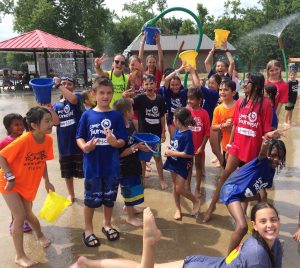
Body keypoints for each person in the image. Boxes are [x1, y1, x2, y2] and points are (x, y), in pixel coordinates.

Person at [70, 202, 283, 268]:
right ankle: (149, 241)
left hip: (206, 264)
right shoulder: (257, 255)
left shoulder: (273, 244)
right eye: (263, 221)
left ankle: (86, 262)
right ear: (253, 225)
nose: (270, 225)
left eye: (273, 220)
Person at [203, 72, 273, 223]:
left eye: (247, 81)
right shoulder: (241, 101)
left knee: (257, 189)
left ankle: (257, 217)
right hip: (236, 148)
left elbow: (267, 132)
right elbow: (236, 125)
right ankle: (211, 207)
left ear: (255, 86)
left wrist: (265, 153)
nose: (243, 84)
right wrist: (229, 146)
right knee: (224, 177)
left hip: (253, 152)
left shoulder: (265, 104)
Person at [0, 107, 55, 267]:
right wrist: (9, 176)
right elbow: (2, 155)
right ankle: (20, 256)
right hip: (9, 183)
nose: (51, 123)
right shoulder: (23, 140)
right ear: (34, 125)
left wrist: (47, 180)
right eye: (47, 121)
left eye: (51, 120)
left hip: (28, 184)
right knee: (19, 216)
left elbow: (42, 159)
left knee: (28, 213)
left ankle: (40, 236)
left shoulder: (48, 140)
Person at [76, 77, 127, 247]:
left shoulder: (117, 116)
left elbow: (122, 140)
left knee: (109, 198)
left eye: (109, 93)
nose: (106, 96)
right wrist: (85, 147)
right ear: (94, 94)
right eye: (102, 93)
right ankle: (88, 229)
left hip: (111, 166)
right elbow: (79, 137)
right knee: (90, 199)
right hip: (92, 166)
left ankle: (107, 224)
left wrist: (115, 143)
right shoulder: (87, 115)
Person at [220, 130, 286, 254]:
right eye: (273, 155)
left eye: (279, 157)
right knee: (242, 227)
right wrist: (267, 137)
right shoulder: (262, 161)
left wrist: (266, 217)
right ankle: (228, 261)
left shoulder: (271, 172)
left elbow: (262, 193)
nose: (276, 159)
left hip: (242, 194)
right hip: (231, 191)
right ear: (267, 154)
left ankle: (255, 229)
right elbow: (262, 152)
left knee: (263, 197)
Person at [124, 74, 167, 190]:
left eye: (151, 83)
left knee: (157, 158)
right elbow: (128, 102)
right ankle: (142, 180)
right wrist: (125, 96)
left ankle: (161, 179)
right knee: (142, 160)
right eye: (146, 84)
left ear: (156, 85)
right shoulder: (140, 98)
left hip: (156, 136)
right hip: (143, 136)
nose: (149, 86)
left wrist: (163, 132)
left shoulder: (160, 99)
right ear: (143, 86)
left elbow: (162, 116)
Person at [113, 98, 147, 227]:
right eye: (132, 109)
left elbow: (134, 141)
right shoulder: (119, 130)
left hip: (133, 162)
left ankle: (131, 208)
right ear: (127, 112)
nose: (133, 111)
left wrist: (140, 145)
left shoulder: (130, 124)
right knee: (128, 189)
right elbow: (120, 153)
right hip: (124, 166)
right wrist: (135, 148)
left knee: (135, 187)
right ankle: (130, 217)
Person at [163, 107, 200, 220]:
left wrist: (171, 152)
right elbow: (175, 143)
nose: (173, 119)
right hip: (173, 161)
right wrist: (169, 149)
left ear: (178, 120)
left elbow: (189, 154)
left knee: (179, 188)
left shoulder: (188, 134)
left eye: (174, 117)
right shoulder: (178, 130)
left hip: (183, 164)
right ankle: (178, 209)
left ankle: (195, 200)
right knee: (175, 187)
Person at [53, 77, 84, 203]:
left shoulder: (77, 97)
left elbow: (73, 99)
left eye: (69, 84)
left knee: (85, 170)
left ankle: (90, 192)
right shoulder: (57, 104)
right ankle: (71, 194)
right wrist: (49, 108)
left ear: (74, 87)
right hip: (64, 145)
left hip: (79, 143)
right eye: (64, 83)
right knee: (67, 173)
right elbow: (56, 122)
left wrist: (59, 85)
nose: (65, 85)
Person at [0, 113, 32, 233]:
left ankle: (25, 220)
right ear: (8, 127)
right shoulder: (5, 142)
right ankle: (14, 222)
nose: (20, 127)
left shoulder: (25, 139)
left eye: (22, 124)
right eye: (16, 125)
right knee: (15, 204)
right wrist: (7, 175)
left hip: (24, 176)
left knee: (26, 200)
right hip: (12, 178)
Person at [186, 88, 210, 199]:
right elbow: (181, 128)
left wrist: (202, 147)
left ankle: (198, 188)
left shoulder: (204, 113)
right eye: (188, 98)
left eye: (192, 99)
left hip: (199, 147)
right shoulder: (187, 111)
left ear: (199, 100)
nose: (189, 101)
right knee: (188, 167)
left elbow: (207, 133)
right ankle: (187, 187)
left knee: (199, 166)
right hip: (188, 146)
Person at [211, 79, 237, 168]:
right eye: (220, 90)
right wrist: (223, 125)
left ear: (233, 93)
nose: (222, 92)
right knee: (227, 170)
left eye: (226, 90)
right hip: (226, 146)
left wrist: (234, 125)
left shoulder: (239, 106)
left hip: (239, 145)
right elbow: (213, 127)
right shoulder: (218, 109)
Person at [159, 64, 188, 139]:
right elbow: (166, 80)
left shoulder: (184, 92)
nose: (175, 87)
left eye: (177, 85)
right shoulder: (168, 92)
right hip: (172, 118)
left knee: (182, 139)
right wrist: (179, 69)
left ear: (180, 84)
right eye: (172, 85)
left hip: (183, 119)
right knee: (174, 139)